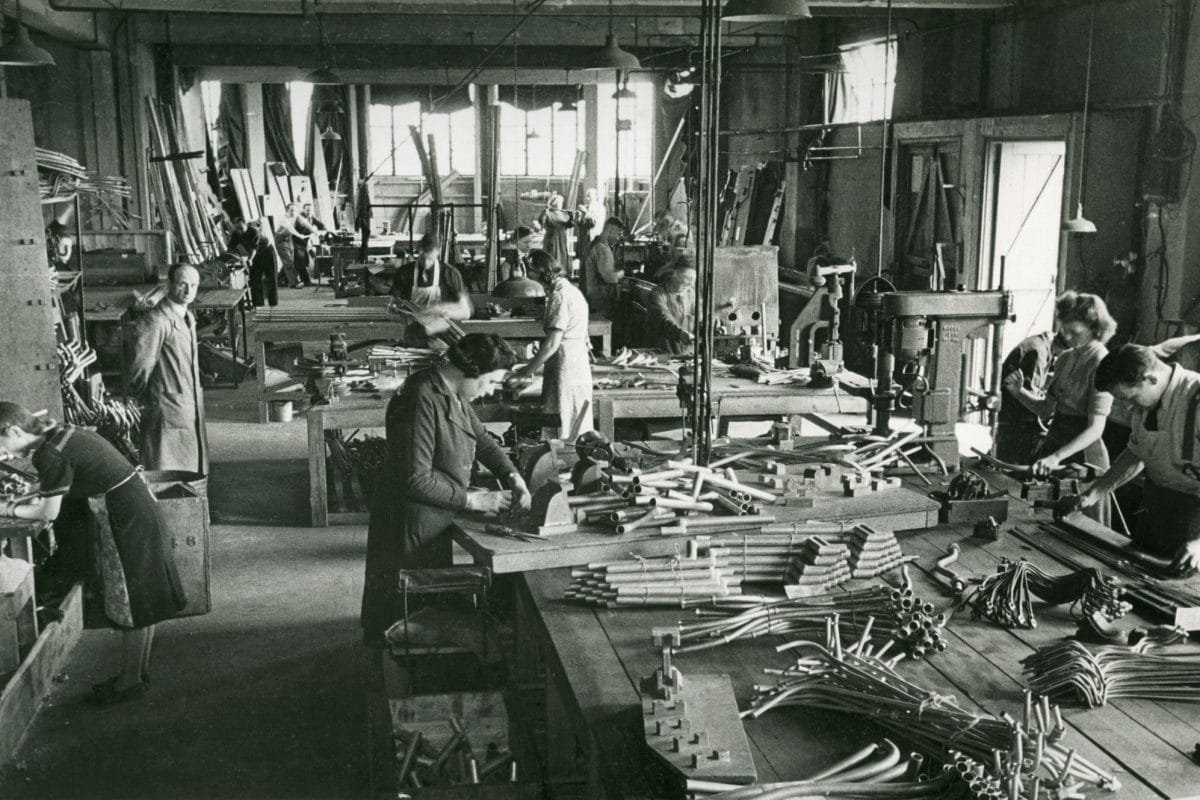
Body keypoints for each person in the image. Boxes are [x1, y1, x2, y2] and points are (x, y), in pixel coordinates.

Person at [0, 403, 186, 703]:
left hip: (125, 516)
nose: (4, 457)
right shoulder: (54, 431)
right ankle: (138, 674)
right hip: (137, 505)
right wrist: (27, 496)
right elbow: (57, 483)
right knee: (143, 596)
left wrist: (7, 507)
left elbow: (48, 513)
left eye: (1, 448)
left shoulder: (49, 454)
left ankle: (129, 683)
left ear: (14, 431)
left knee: (133, 600)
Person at [361, 334, 532, 645]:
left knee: (427, 606)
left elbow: (482, 440)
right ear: (471, 370)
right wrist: (472, 500)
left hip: (435, 514)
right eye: (489, 381)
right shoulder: (421, 397)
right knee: (403, 612)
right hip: (409, 520)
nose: (490, 390)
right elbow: (416, 479)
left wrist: (513, 477)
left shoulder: (451, 392)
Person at [1073, 345, 1200, 571]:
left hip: (1194, 521)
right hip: (1156, 509)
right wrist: (1093, 494)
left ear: (1150, 378)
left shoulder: (1195, 397)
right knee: (1134, 583)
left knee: (1183, 599)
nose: (1129, 407)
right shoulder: (1145, 404)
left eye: (1130, 398)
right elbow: (1136, 453)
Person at [1004, 292, 1116, 524]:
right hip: (1056, 444)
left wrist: (1056, 457)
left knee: (1080, 527)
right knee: (1041, 521)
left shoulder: (1102, 363)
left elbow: (1096, 428)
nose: (1066, 335)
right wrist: (1019, 392)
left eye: (1074, 332)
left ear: (1094, 328)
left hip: (1083, 456)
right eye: (1065, 329)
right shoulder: (1066, 358)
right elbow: (1046, 409)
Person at [127, 263, 209, 474]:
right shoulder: (156, 321)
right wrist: (142, 398)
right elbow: (140, 367)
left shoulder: (188, 317)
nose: (189, 291)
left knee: (191, 470)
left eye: (194, 285)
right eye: (182, 284)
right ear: (169, 284)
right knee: (165, 472)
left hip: (188, 407)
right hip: (166, 408)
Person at [511, 250, 595, 437]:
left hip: (566, 369)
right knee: (573, 425)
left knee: (563, 425)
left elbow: (551, 345)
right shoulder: (572, 291)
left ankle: (562, 462)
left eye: (531, 273)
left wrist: (526, 370)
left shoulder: (561, 296)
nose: (530, 278)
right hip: (575, 365)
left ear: (542, 271)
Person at [994, 293, 1078, 463]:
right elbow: (1034, 406)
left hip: (1016, 426)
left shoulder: (1045, 349)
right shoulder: (1037, 352)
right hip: (1016, 429)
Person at [389, 232, 472, 348]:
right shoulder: (404, 273)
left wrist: (446, 312)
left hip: (443, 339)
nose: (426, 264)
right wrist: (405, 315)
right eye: (423, 258)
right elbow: (391, 309)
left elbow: (466, 312)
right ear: (419, 251)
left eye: (430, 258)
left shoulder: (450, 273)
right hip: (414, 338)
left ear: (438, 251)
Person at [648, 261, 696, 355]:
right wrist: (680, 334)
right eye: (686, 279)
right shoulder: (658, 293)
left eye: (692, 281)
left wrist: (715, 326)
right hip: (663, 352)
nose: (688, 285)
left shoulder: (691, 293)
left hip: (687, 354)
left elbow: (700, 316)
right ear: (674, 274)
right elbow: (662, 319)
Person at [583, 217, 625, 321]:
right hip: (599, 304)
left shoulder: (590, 245)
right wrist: (621, 274)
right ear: (610, 231)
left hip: (588, 300)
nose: (618, 238)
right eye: (618, 234)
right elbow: (609, 278)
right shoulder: (603, 249)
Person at [230, 218, 279, 308]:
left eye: (241, 228)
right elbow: (231, 247)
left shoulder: (254, 231)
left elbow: (253, 249)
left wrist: (249, 260)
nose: (239, 231)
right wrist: (234, 257)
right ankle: (258, 304)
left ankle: (273, 303)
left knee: (271, 277)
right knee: (255, 278)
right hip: (255, 256)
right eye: (237, 229)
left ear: (246, 225)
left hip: (267, 252)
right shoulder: (236, 233)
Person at [273, 203, 309, 288]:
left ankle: (279, 280)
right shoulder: (284, 219)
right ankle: (295, 283)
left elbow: (305, 224)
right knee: (288, 261)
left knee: (290, 261)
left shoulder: (295, 217)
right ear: (287, 211)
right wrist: (300, 235)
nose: (293, 212)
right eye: (291, 210)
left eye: (295, 210)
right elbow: (291, 229)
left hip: (289, 239)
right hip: (281, 240)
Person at [539, 194, 574, 275]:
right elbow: (541, 221)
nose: (561, 204)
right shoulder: (548, 213)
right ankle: (551, 275)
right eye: (559, 202)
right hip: (552, 238)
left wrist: (571, 217)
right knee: (553, 256)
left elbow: (569, 225)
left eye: (561, 202)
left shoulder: (563, 214)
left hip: (562, 238)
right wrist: (545, 211)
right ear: (554, 203)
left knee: (562, 256)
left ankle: (561, 274)